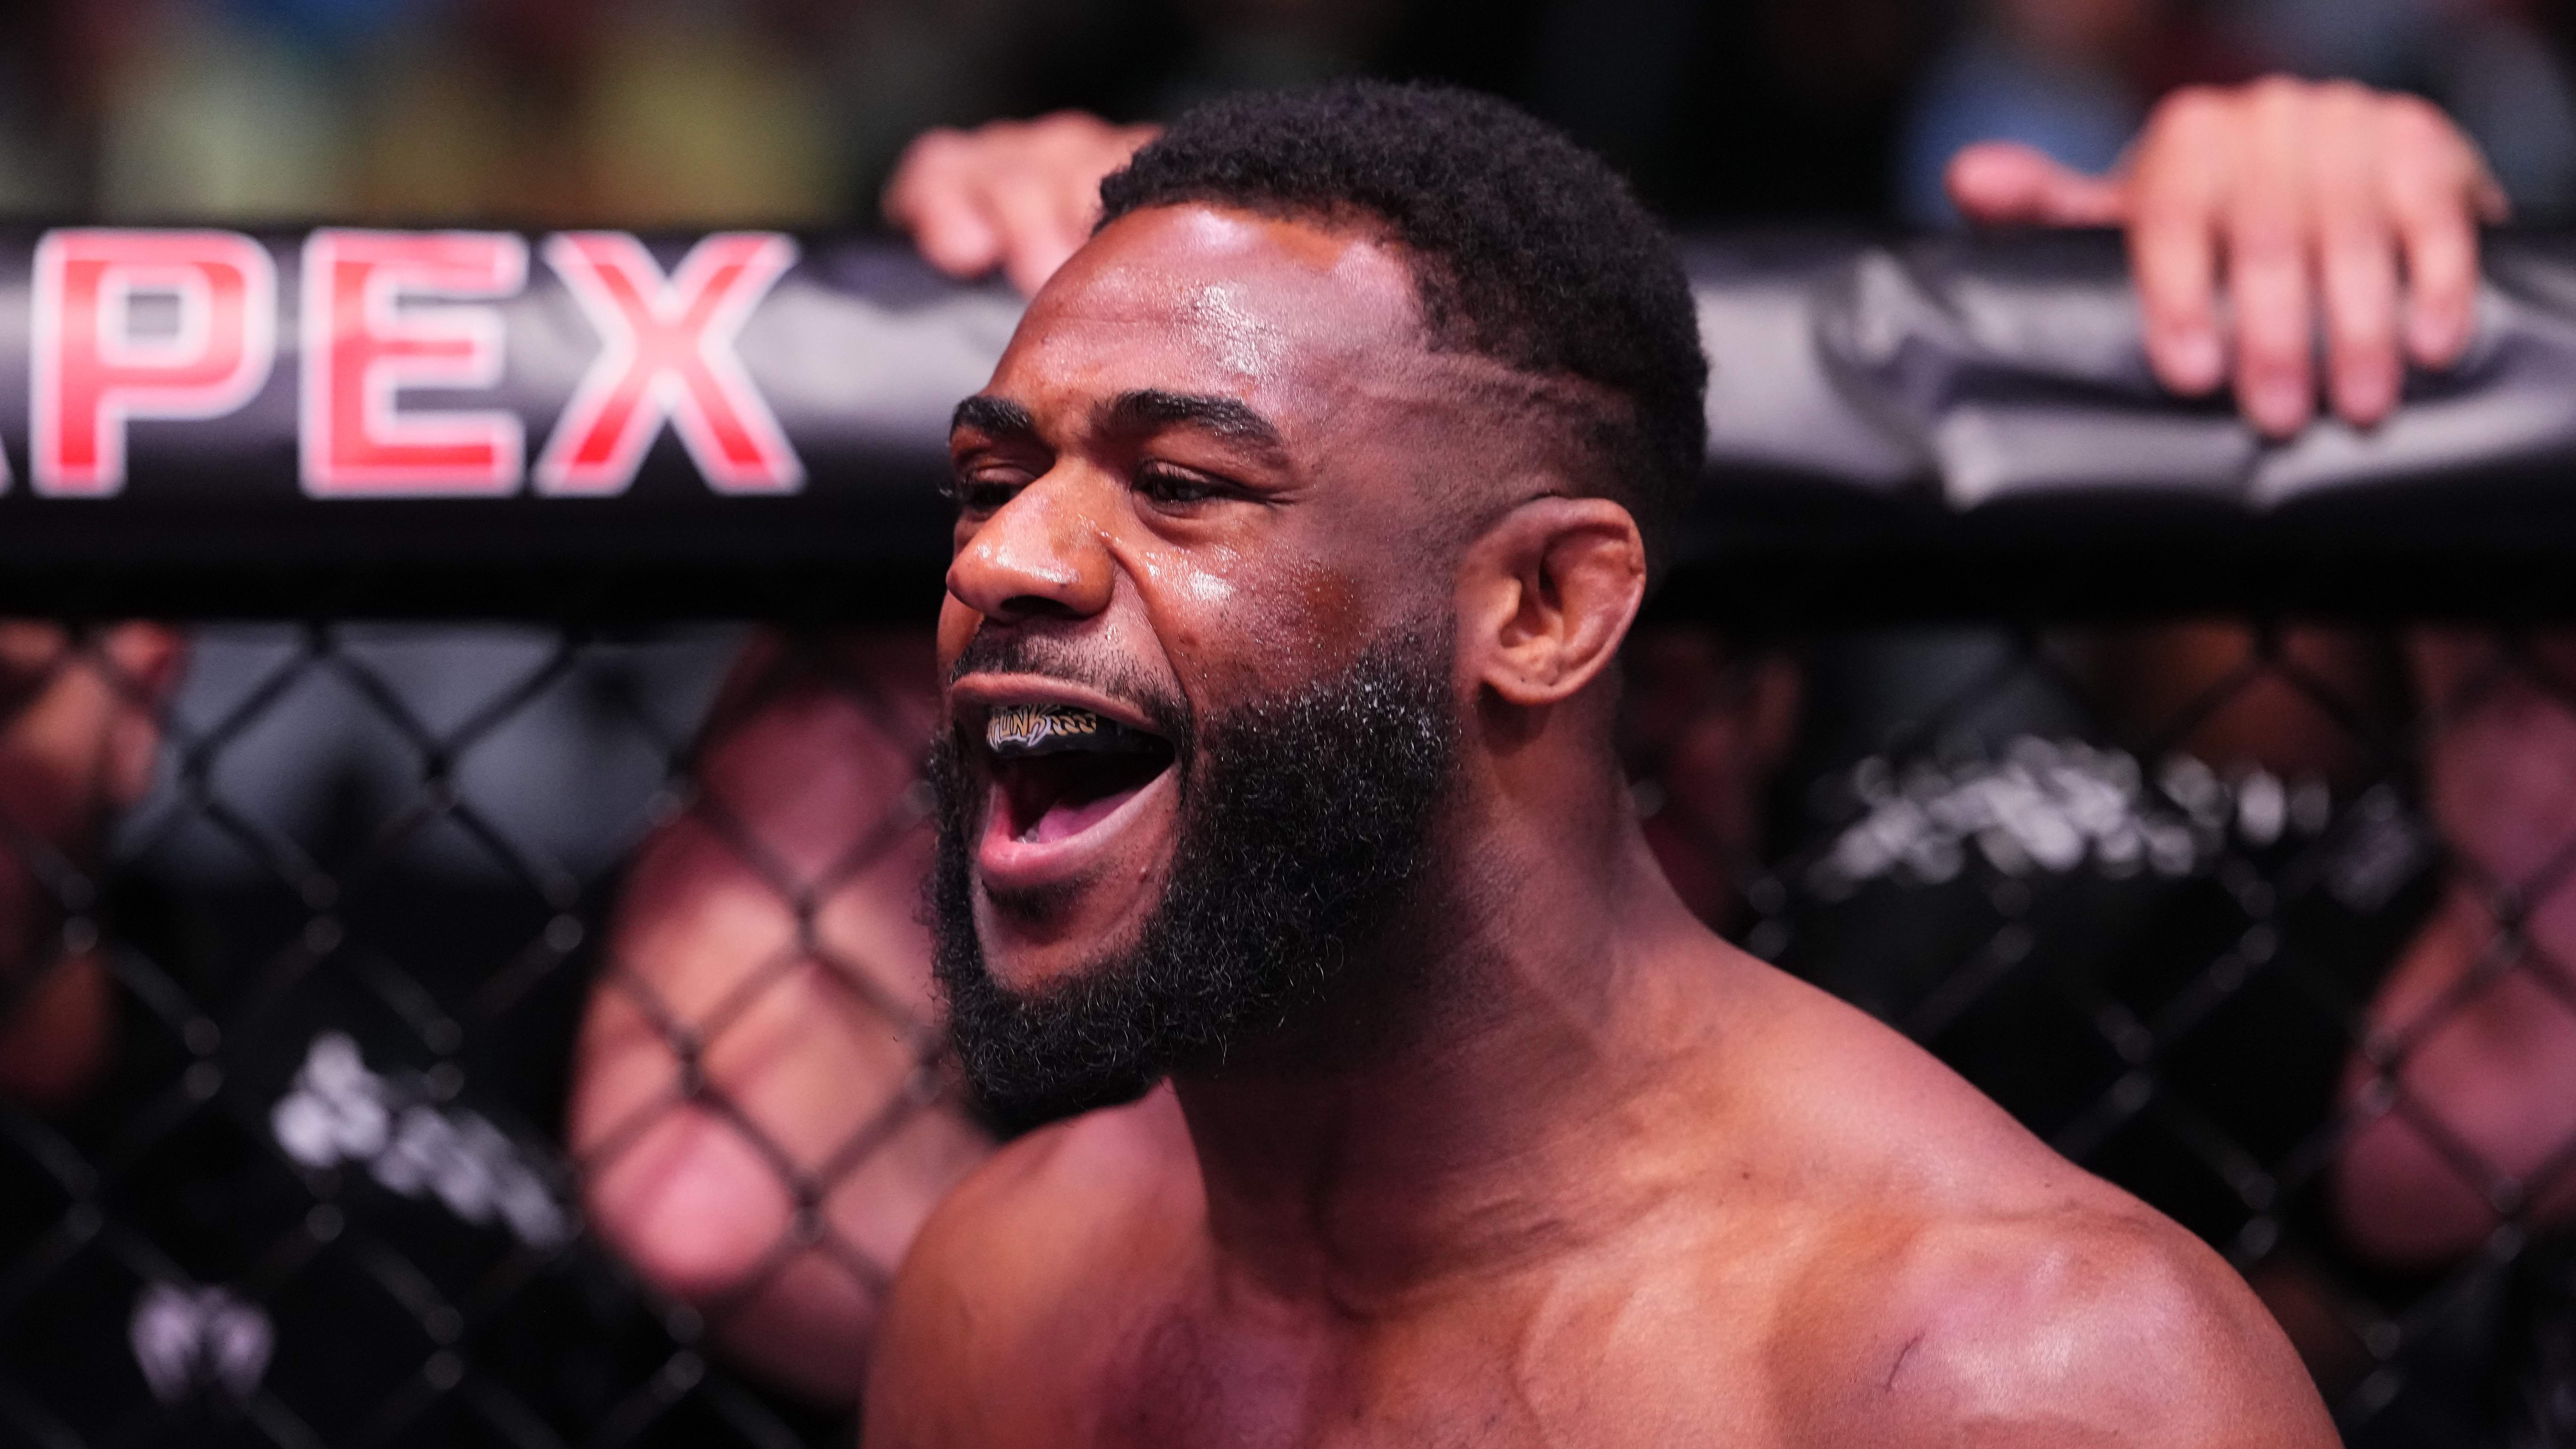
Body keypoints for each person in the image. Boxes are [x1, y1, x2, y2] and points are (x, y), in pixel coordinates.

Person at [852, 79, 2348, 1445]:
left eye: (1180, 484)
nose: (1002, 557)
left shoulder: (2016, 1377)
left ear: (1544, 608)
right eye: (991, 481)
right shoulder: (1012, 1281)